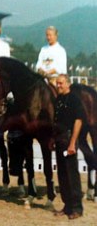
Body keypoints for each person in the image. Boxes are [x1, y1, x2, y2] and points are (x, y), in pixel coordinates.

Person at [53, 74, 84, 219]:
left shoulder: (74, 99)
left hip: (69, 140)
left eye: (61, 83)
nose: (58, 86)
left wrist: (72, 143)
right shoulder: (58, 100)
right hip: (59, 140)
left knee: (72, 175)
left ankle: (77, 208)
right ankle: (67, 206)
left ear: (68, 84)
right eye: (57, 83)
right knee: (62, 175)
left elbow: (78, 121)